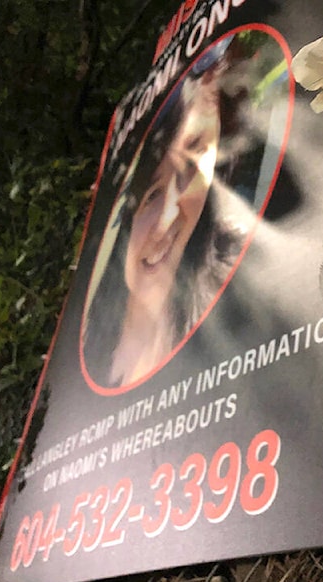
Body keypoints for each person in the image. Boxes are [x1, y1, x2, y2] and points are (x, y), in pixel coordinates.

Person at [83, 47, 251, 388]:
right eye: (152, 196)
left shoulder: (234, 313)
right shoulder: (88, 342)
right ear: (125, 216)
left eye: (192, 170)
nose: (169, 217)